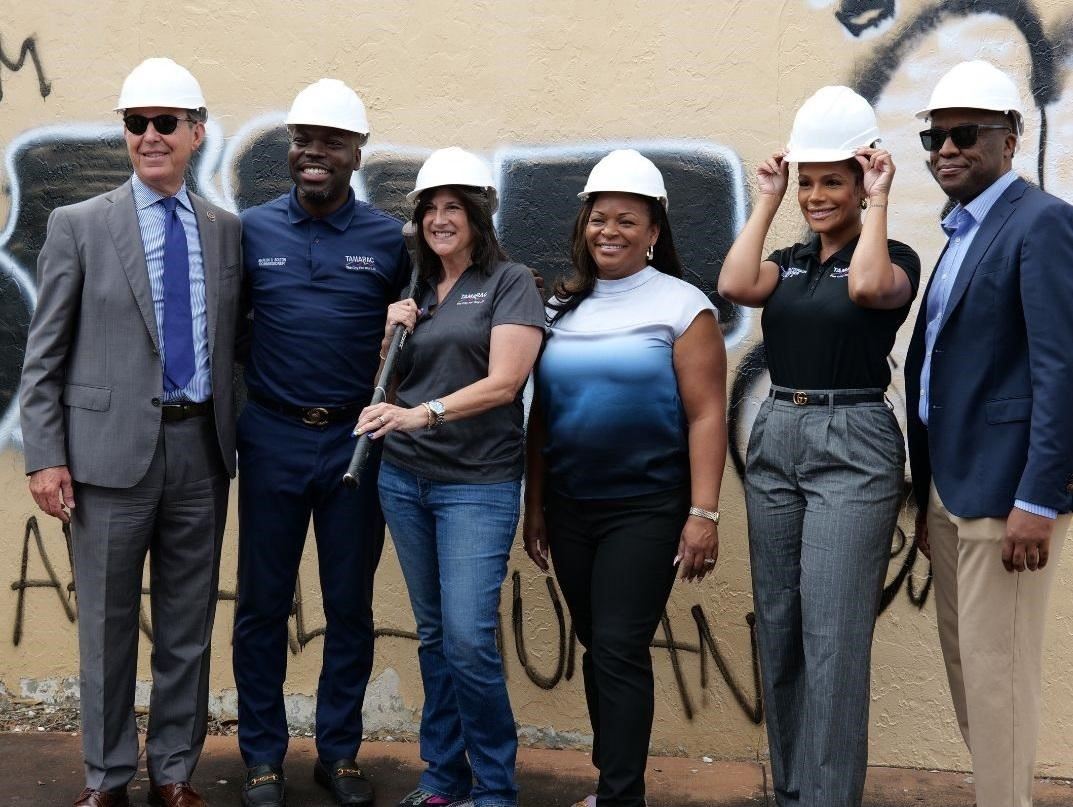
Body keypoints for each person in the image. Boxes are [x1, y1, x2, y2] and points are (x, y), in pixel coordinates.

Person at [18, 58, 241, 807]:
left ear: (195, 132)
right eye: (135, 123)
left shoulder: (224, 231)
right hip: (105, 460)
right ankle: (107, 777)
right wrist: (45, 455)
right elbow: (44, 349)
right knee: (107, 631)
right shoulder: (78, 224)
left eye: (165, 123)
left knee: (187, 628)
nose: (149, 136)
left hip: (200, 452)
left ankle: (173, 770)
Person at [717, 87, 920, 807]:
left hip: (852, 440)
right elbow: (734, 282)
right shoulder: (790, 261)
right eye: (808, 180)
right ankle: (792, 792)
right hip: (777, 434)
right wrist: (768, 195)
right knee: (780, 622)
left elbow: (868, 288)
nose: (815, 194)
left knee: (832, 635)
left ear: (861, 178)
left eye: (829, 179)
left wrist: (878, 196)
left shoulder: (891, 253)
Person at [522, 149, 727, 807]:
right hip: (570, 506)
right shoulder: (558, 308)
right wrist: (536, 505)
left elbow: (705, 414)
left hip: (647, 508)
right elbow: (539, 419)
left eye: (627, 221)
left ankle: (619, 794)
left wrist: (703, 513)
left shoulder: (681, 306)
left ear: (654, 232)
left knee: (616, 644)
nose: (609, 231)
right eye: (599, 219)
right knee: (597, 646)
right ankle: (611, 782)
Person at [232, 79, 411, 807]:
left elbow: (415, 335)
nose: (313, 151)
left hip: (353, 441)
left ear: (356, 152)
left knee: (348, 605)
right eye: (303, 138)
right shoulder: (250, 230)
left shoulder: (386, 239)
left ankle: (338, 753)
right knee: (262, 605)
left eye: (331, 141)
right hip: (271, 433)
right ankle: (262, 758)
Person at [354, 146, 545, 807]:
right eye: (429, 208)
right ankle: (442, 776)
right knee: (435, 634)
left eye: (452, 207)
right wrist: (389, 331)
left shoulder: (509, 281)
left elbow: (505, 381)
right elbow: (391, 380)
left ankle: (493, 785)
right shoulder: (413, 288)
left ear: (477, 214)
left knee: (467, 634)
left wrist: (422, 414)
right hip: (405, 482)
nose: (439, 218)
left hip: (477, 484)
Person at [906, 60, 1073, 807]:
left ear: (1011, 139)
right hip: (950, 489)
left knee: (997, 678)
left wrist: (1039, 496)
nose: (945, 148)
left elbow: (1060, 368)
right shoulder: (965, 231)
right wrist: (923, 491)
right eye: (934, 136)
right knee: (970, 673)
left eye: (964, 134)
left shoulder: (1039, 221)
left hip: (1006, 493)